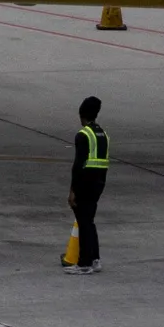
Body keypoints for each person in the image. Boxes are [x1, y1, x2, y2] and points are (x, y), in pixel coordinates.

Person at [65, 95, 109, 274]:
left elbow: (78, 165)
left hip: (85, 183)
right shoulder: (103, 134)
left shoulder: (83, 135)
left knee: (84, 222)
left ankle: (84, 263)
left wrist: (72, 190)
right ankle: (95, 259)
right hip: (99, 182)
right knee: (89, 221)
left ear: (82, 114)